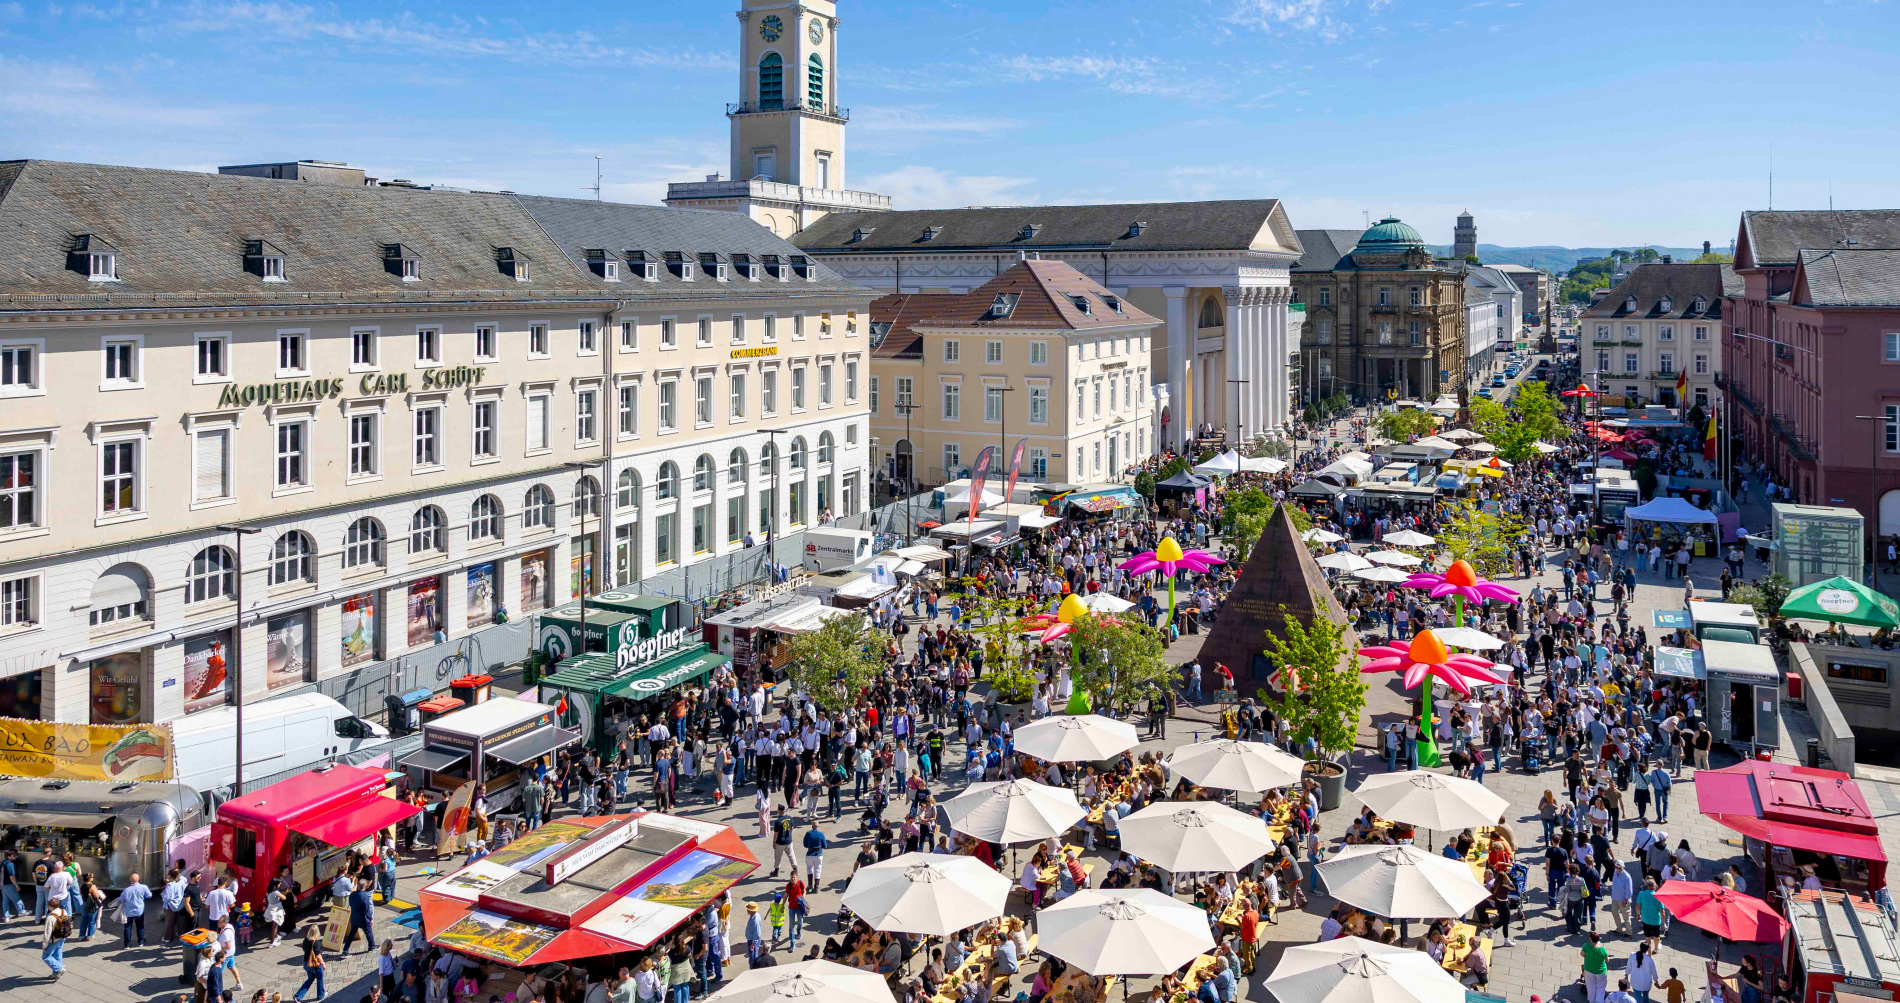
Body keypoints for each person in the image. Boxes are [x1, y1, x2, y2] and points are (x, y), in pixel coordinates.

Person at [342, 876, 376, 955]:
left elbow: (351, 904)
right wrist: (370, 918)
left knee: (351, 935)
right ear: (365, 886)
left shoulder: (352, 894)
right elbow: (366, 910)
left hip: (354, 918)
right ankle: (372, 946)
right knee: (368, 932)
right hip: (363, 919)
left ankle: (345, 950)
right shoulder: (365, 896)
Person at [120, 871, 154, 947]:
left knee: (127, 927)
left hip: (128, 912)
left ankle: (127, 944)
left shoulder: (126, 890)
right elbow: (149, 895)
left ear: (130, 880)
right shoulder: (144, 887)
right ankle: (141, 942)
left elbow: (120, 900)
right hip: (139, 911)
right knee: (140, 926)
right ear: (138, 879)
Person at [43, 899, 71, 980]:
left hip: (54, 939)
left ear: (50, 906)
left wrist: (44, 945)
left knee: (46, 956)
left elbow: (47, 933)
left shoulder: (51, 917)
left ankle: (60, 968)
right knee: (57, 953)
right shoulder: (63, 911)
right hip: (63, 936)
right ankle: (56, 973)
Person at [1582, 931, 1611, 1003]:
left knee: (1590, 987)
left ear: (1590, 939)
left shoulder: (1586, 946)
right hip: (1601, 971)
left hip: (1589, 969)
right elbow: (1607, 960)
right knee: (1601, 988)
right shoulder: (1603, 950)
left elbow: (1582, 954)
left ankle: (1592, 1001)